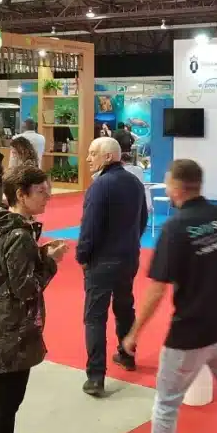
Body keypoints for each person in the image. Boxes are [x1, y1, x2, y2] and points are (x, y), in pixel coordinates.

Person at [122, 159, 217, 433]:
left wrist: (134, 333)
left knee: (166, 405)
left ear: (176, 187)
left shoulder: (175, 228)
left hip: (190, 333)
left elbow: (157, 290)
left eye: (168, 183)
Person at [0, 166, 69, 433]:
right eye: (40, 191)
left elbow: (7, 269)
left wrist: (39, 255)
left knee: (4, 398)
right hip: (10, 329)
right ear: (21, 194)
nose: (47, 196)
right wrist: (51, 262)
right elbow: (25, 288)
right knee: (7, 401)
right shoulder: (19, 235)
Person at [77, 137, 147, 397]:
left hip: (102, 261)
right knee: (125, 307)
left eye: (93, 153)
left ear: (108, 157)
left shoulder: (100, 186)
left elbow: (90, 226)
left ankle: (95, 377)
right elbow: (142, 219)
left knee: (95, 317)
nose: (88, 159)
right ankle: (127, 356)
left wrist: (82, 256)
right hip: (128, 258)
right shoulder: (135, 183)